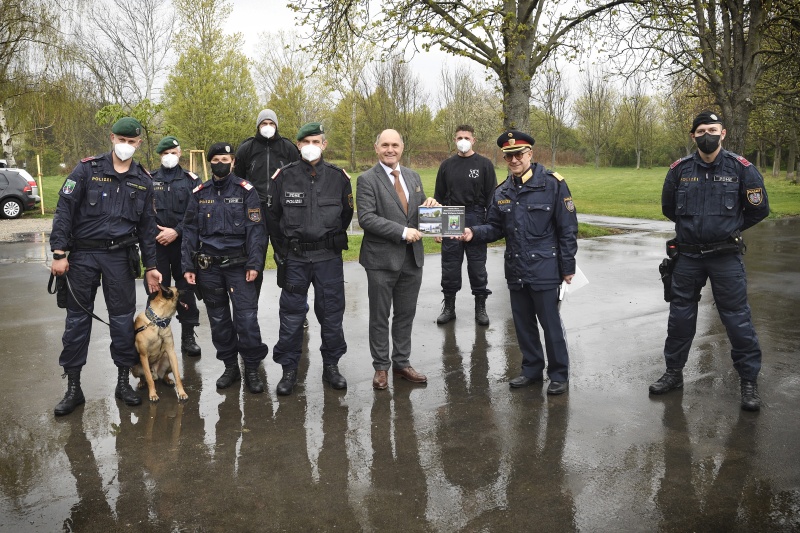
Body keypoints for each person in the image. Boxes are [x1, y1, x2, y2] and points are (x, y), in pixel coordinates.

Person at [650, 111, 770, 411]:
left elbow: (759, 209)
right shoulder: (679, 170)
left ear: (723, 133)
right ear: (693, 136)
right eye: (701, 130)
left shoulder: (742, 169)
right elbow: (669, 207)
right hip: (688, 256)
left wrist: (729, 229)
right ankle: (673, 373)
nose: (707, 135)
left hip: (725, 256)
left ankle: (748, 382)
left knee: (737, 319)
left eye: (712, 129)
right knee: (680, 318)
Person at [50, 117, 162, 416]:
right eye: (121, 139)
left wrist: (151, 265)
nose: (126, 145)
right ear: (112, 138)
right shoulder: (87, 169)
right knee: (77, 322)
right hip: (83, 256)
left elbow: (148, 227)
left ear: (139, 143)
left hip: (120, 258)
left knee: (123, 321)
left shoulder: (144, 179)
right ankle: (73, 388)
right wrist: (59, 252)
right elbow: (64, 208)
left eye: (132, 141)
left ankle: (123, 382)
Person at [461, 130, 578, 395]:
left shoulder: (553, 184)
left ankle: (559, 373)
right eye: (508, 156)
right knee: (523, 325)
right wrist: (472, 233)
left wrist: (568, 267)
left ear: (530, 154)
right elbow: (493, 227)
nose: (514, 160)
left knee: (550, 324)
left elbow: (567, 228)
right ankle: (532, 370)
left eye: (518, 155)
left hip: (545, 267)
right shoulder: (502, 190)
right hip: (516, 268)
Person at [266, 122, 353, 396]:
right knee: (291, 317)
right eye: (305, 142)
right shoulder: (283, 177)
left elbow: (346, 214)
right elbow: (272, 217)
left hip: (328, 257)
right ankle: (289, 369)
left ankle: (331, 366)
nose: (311, 146)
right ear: (298, 145)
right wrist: (283, 251)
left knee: (331, 315)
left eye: (316, 141)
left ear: (324, 144)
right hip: (296, 258)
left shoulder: (339, 178)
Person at [181, 142, 269, 394]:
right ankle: (230, 366)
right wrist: (188, 265)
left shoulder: (245, 190)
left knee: (246, 320)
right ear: (210, 162)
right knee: (219, 320)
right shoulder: (199, 192)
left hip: (240, 267)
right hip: (209, 268)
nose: (221, 162)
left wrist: (255, 262)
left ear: (233, 161)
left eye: (225, 158)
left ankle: (251, 367)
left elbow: (256, 230)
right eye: (216, 159)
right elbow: (189, 231)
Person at [357, 129, 439, 390]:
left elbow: (416, 217)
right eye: (385, 145)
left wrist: (433, 214)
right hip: (381, 260)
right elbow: (367, 219)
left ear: (402, 147)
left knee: (405, 314)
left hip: (411, 260)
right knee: (380, 316)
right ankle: (381, 368)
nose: (390, 149)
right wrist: (403, 232)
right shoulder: (367, 179)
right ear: (376, 147)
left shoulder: (413, 177)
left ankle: (402, 363)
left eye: (395, 145)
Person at [433, 124, 497, 326]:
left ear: (473, 140)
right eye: (459, 137)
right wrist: (436, 227)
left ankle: (480, 307)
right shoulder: (446, 165)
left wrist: (489, 226)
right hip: (452, 215)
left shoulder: (485, 165)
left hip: (476, 216)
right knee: (450, 264)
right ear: (454, 140)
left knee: (477, 265)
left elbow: (492, 198)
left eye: (467, 137)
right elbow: (438, 197)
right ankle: (449, 307)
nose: (463, 141)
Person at [234, 109, 300, 297]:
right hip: (255, 212)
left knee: (287, 259)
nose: (268, 127)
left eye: (271, 123)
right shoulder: (247, 148)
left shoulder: (288, 148)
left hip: (282, 212)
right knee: (254, 260)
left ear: (277, 125)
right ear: (258, 126)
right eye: (264, 123)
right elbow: (237, 180)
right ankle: (249, 307)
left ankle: (296, 306)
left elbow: (297, 178)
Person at [149, 135, 201, 357]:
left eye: (173, 152)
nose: (169, 156)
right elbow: (142, 214)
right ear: (159, 156)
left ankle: (188, 336)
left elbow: (196, 213)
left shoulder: (192, 180)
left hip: (183, 245)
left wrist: (176, 231)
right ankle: (158, 338)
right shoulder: (148, 179)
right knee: (157, 291)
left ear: (180, 153)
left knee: (185, 291)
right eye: (165, 153)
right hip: (157, 245)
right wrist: (158, 232)